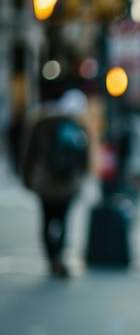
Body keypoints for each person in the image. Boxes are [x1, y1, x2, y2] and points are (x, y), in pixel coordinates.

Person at [22, 89, 90, 279]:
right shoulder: (78, 125)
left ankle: (51, 258)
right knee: (63, 220)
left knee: (46, 218)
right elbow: (85, 157)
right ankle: (59, 255)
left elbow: (29, 152)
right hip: (68, 184)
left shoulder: (42, 123)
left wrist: (27, 176)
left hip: (45, 181)